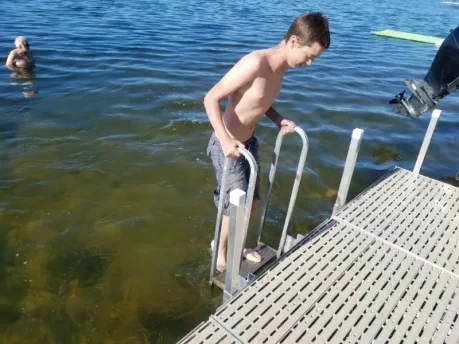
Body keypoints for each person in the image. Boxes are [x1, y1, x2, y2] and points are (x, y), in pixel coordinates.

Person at [205, 12, 330, 272]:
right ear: (294, 41)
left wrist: (277, 119)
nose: (310, 64)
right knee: (236, 204)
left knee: (252, 202)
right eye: (309, 56)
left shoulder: (280, 68)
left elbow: (259, 100)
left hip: (248, 144)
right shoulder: (255, 62)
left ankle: (234, 246)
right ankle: (221, 251)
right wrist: (226, 140)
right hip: (227, 145)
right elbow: (211, 98)